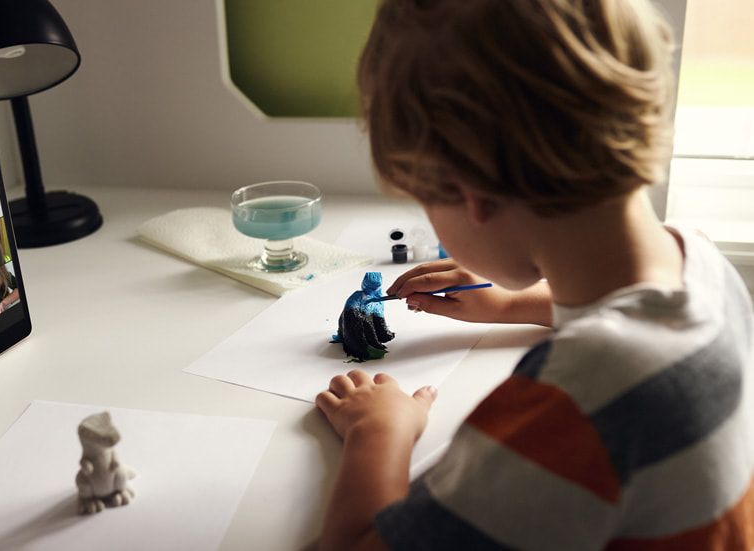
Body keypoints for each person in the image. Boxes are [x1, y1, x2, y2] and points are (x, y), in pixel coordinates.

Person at [314, 1, 754, 549]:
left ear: (470, 191)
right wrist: (511, 305)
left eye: (423, 199)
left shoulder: (574, 404)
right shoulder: (701, 261)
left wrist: (378, 434)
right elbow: (639, 319)